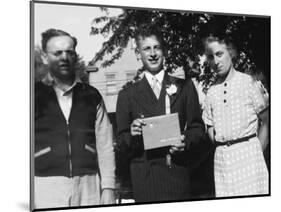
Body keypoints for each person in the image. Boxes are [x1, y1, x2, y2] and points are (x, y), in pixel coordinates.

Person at [116, 24, 205, 202]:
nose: (153, 53)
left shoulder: (185, 87)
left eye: (157, 47)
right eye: (146, 49)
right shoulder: (127, 95)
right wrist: (132, 134)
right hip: (145, 178)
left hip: (177, 173)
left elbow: (198, 130)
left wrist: (185, 141)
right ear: (138, 54)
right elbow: (121, 142)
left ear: (164, 51)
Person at [34, 29, 116, 209]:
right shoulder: (34, 95)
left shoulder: (92, 96)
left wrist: (108, 187)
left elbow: (105, 144)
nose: (64, 57)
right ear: (46, 58)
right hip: (44, 185)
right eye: (57, 53)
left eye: (69, 52)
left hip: (89, 185)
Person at [202, 35, 269, 197]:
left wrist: (255, 151)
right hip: (223, 162)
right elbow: (209, 127)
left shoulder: (249, 82)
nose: (216, 61)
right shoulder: (211, 92)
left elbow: (267, 121)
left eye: (219, 54)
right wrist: (223, 146)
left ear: (230, 53)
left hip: (250, 158)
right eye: (211, 57)